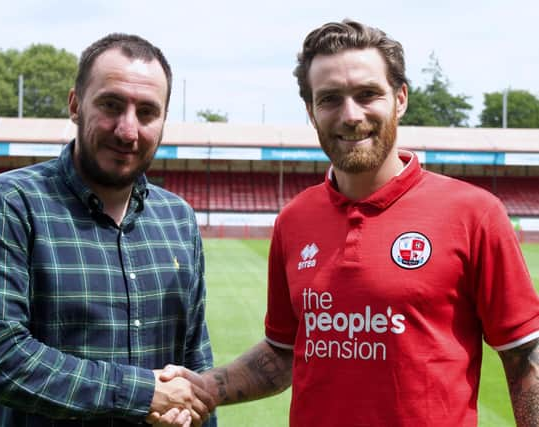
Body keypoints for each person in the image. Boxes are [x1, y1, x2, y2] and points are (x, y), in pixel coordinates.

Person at [157, 19, 539, 426]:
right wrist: (204, 388)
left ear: (400, 99)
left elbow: (525, 360)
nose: (351, 115)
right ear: (311, 111)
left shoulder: (474, 213)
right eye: (330, 99)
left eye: (368, 94)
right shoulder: (294, 220)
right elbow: (282, 350)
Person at [0, 33, 215, 427]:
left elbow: (194, 361)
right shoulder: (8, 203)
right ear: (75, 105)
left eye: (147, 112)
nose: (127, 130)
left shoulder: (178, 219)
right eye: (111, 105)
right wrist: (142, 393)